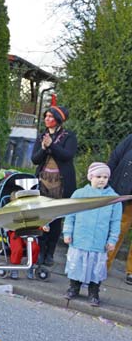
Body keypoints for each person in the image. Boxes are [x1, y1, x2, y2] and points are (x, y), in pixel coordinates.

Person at [63, 163, 122, 306]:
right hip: (80, 238)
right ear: (90, 177)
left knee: (96, 268)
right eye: (98, 176)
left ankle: (94, 292)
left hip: (99, 242)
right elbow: (70, 215)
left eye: (105, 177)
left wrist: (112, 240)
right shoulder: (79, 194)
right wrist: (67, 232)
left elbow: (115, 222)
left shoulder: (113, 199)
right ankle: (74, 288)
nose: (102, 180)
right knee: (77, 264)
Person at [31, 105, 77, 266]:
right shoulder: (41, 136)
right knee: (42, 217)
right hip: (43, 181)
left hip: (60, 183)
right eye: (46, 116)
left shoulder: (69, 136)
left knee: (56, 218)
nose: (47, 119)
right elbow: (35, 159)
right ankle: (40, 251)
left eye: (50, 116)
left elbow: (67, 155)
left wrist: (52, 145)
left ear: (58, 119)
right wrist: (44, 148)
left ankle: (50, 253)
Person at [106, 134, 132, 285]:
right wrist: (106, 180)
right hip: (125, 193)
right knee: (117, 229)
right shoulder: (130, 139)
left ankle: (131, 271)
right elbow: (115, 158)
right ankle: (104, 264)